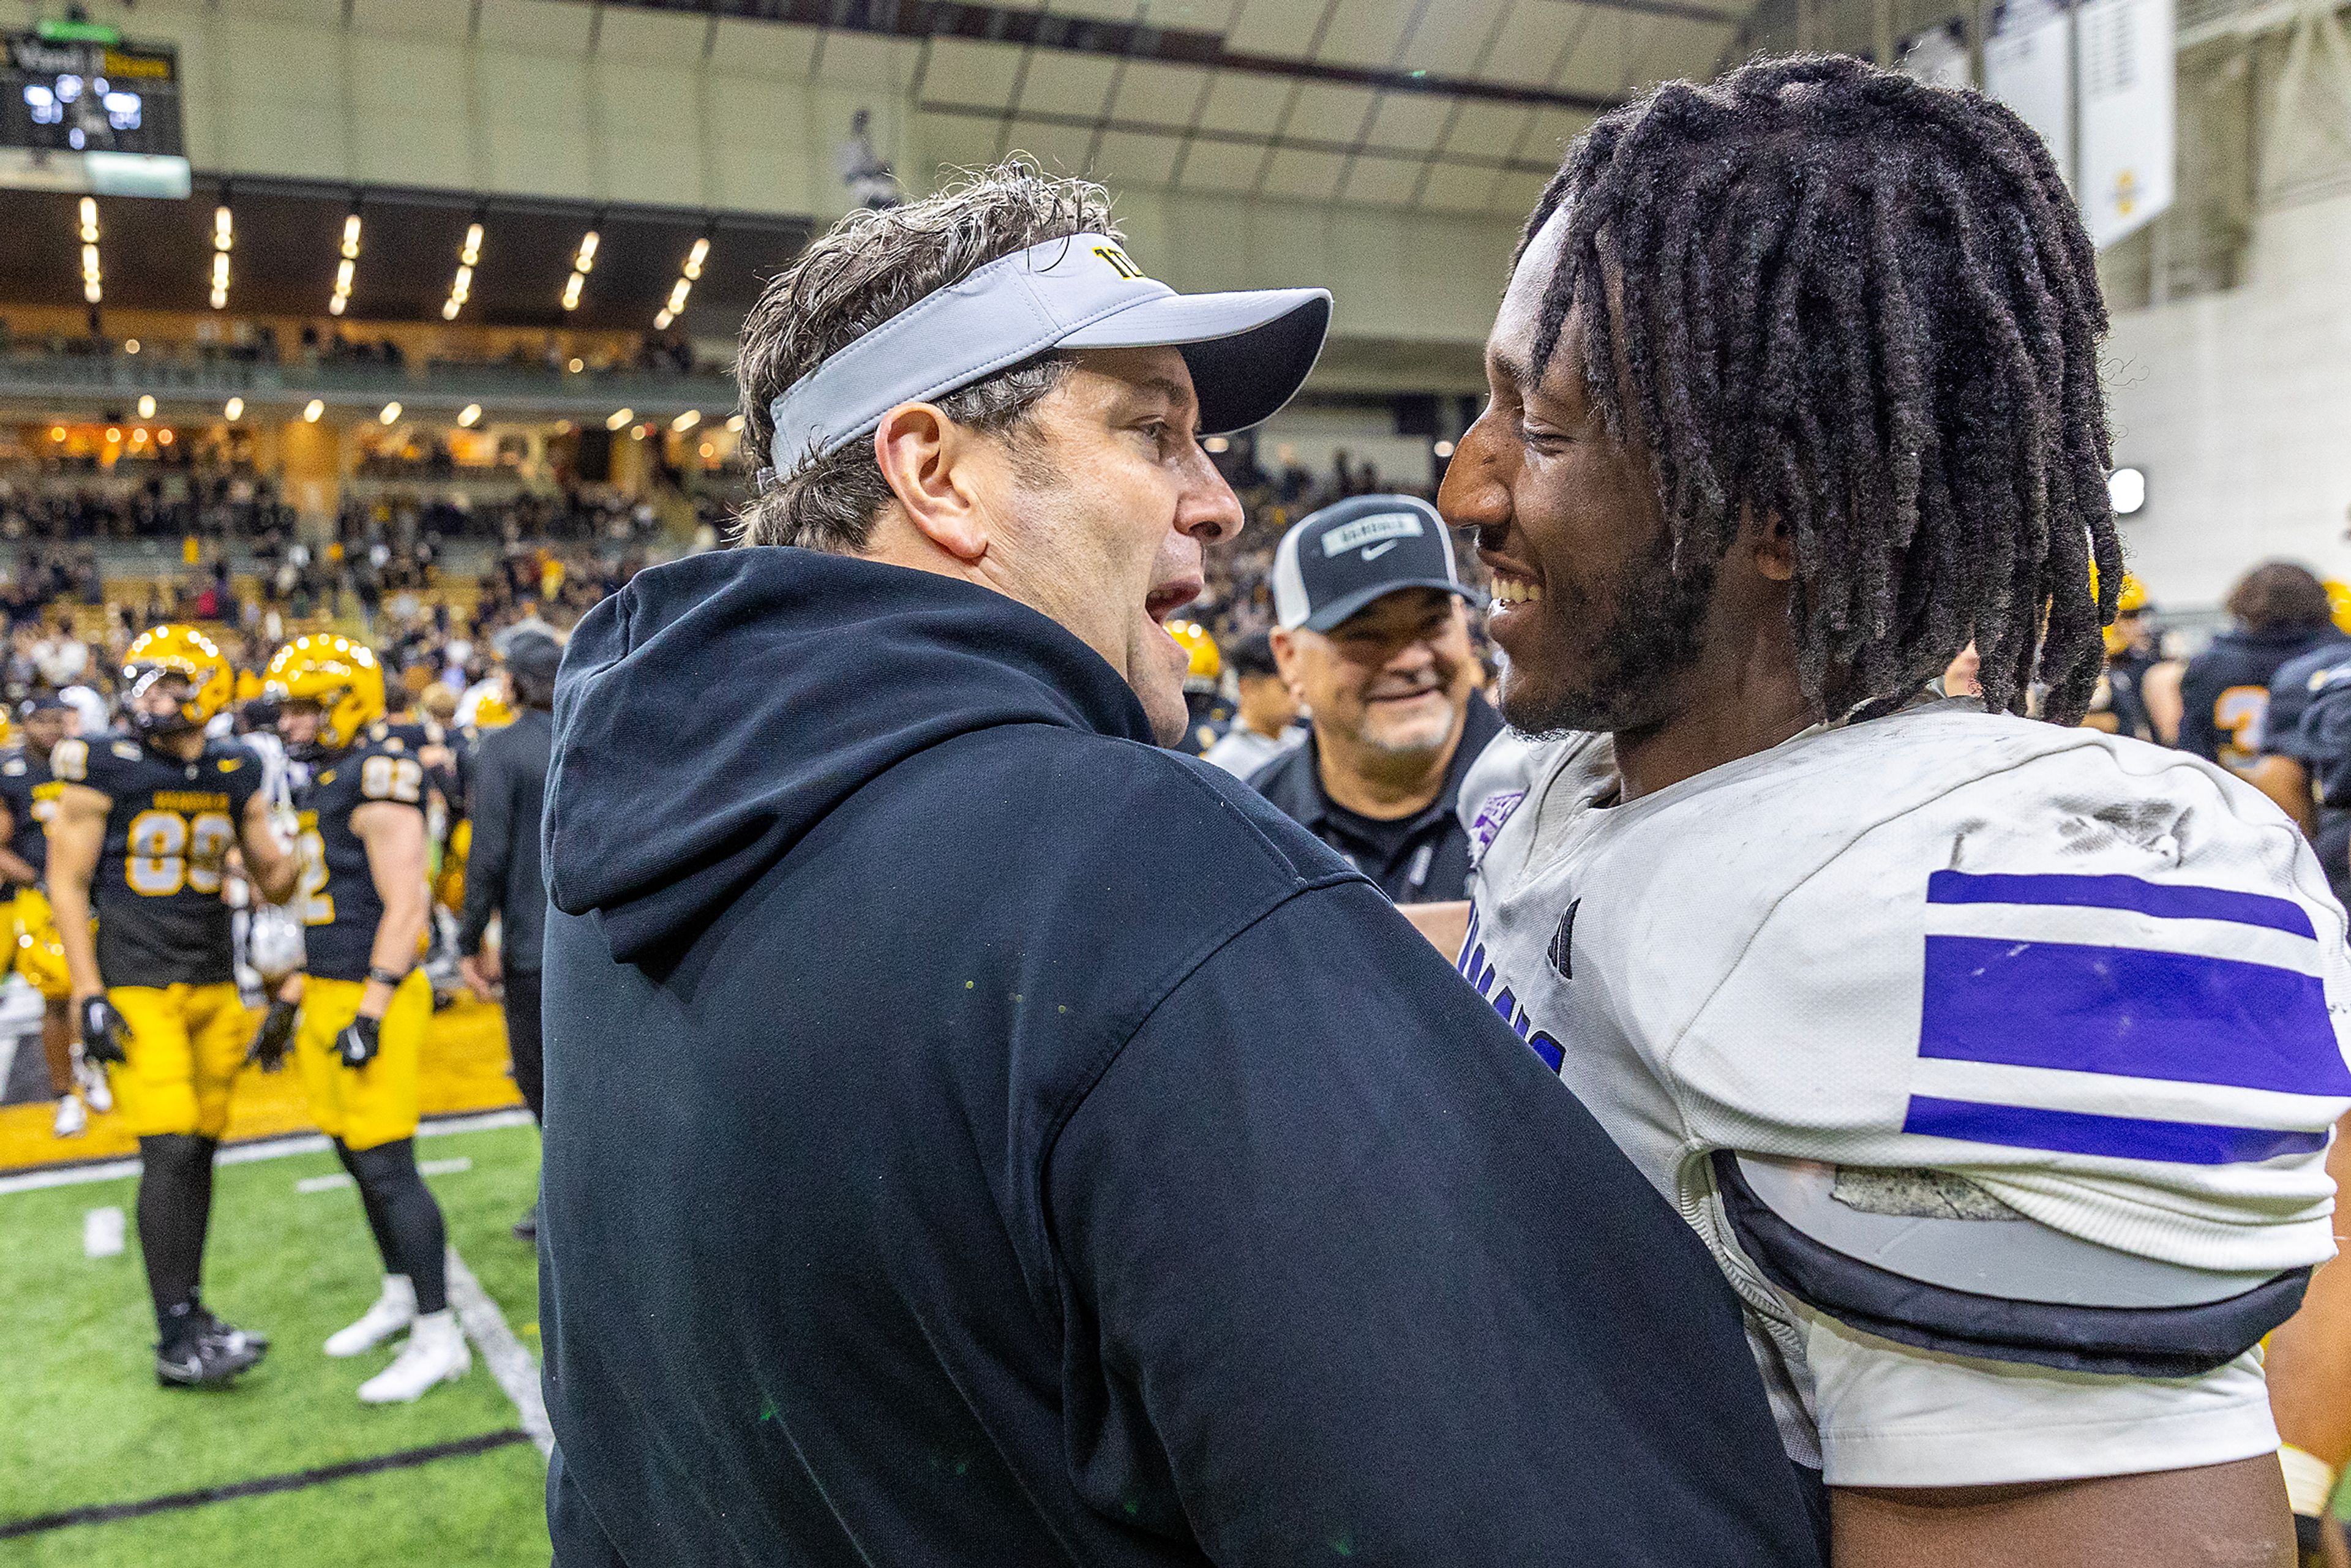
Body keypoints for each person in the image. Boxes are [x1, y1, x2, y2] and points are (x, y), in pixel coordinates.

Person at [534, 166, 1821, 1566]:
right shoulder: (1138, 867)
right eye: (1153, 431)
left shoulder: (621, 867)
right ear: (934, 471)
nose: (1215, 501)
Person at [1427, 57, 2339, 1564]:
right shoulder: (1591, 780)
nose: (1464, 486)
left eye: (1543, 428)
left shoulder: (1929, 899)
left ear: (1773, 514)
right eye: (1488, 402)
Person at [46, 625, 300, 1387]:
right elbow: (65, 880)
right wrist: (88, 989)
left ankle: (193, 1313)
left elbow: (272, 878)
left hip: (215, 980)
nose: (150, 695)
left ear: (209, 689)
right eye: (144, 682)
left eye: (167, 683)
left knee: (203, 1148)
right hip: (136, 980)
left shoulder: (236, 764)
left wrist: (306, 829)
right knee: (170, 1147)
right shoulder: (107, 762)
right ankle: (173, 1336)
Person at [255, 634, 470, 1404]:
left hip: (370, 991)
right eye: (290, 707)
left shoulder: (379, 774)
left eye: (307, 706)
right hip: (324, 987)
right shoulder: (327, 777)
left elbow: (406, 904)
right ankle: (401, 1292)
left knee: (387, 1164)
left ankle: (439, 1333)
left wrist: (373, 1006)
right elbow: (302, 889)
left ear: (346, 701)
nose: (292, 721)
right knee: (354, 1156)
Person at [1248, 494, 1499, 904]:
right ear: (1289, 659)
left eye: (1433, 623)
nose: (1411, 659)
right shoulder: (1251, 831)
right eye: (1364, 636)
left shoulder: (1554, 792)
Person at [457, 631, 555, 1240]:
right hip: (604, 943)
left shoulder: (501, 748)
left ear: (518, 680)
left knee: (543, 1085)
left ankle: (566, 1205)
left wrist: (469, 939)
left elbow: (487, 853)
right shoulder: (595, 730)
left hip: (533, 945)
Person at [0, 695, 91, 1136]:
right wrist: (40, 880)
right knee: (57, 993)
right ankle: (64, 1094)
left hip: (95, 891)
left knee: (103, 987)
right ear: (25, 724)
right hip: (42, 896)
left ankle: (96, 1068)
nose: (51, 728)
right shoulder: (10, 773)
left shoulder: (87, 761)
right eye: (42, 720)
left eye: (58, 719)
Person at [2178, 561, 2339, 769]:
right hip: (2305, 792)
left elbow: (2193, 752)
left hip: (2231, 789)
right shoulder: (2333, 659)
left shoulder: (2209, 664)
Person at [1199, 630, 1302, 778]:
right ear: (1248, 688)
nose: (1297, 697)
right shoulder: (1224, 765)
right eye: (1286, 689)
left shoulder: (1302, 742)